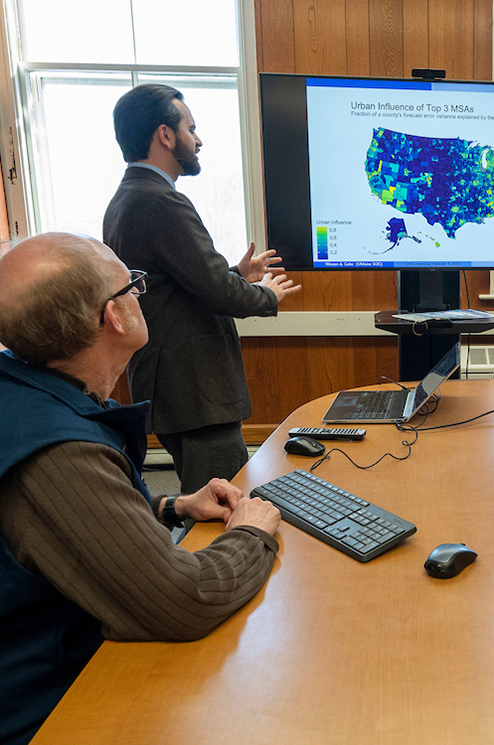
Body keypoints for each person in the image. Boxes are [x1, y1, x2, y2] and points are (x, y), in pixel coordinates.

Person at [0, 233, 283, 745]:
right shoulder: (58, 451)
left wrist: (168, 505)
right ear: (115, 317)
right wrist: (250, 533)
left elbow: (52, 523)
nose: (140, 295)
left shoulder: (26, 398)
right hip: (52, 712)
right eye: (134, 285)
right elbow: (186, 600)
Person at [103, 83, 301, 495]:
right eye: (191, 128)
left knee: (206, 498)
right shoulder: (162, 202)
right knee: (221, 506)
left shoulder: (126, 198)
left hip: (172, 389)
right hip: (196, 394)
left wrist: (234, 273)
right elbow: (219, 293)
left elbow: (175, 284)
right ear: (165, 135)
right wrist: (266, 294)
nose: (199, 140)